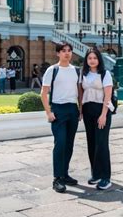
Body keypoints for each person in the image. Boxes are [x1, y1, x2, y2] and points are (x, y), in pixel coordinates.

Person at [40, 42, 82, 193]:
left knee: (69, 144)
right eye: (63, 51)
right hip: (58, 110)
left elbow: (79, 92)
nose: (67, 53)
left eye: (69, 51)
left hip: (72, 109)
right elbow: (43, 93)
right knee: (60, 143)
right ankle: (57, 178)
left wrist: (80, 110)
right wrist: (48, 112)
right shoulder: (53, 70)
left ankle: (64, 174)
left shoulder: (76, 71)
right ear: (58, 53)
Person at [81, 47, 114, 190]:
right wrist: (81, 111)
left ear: (98, 59)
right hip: (88, 110)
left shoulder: (105, 74)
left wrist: (103, 114)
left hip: (102, 110)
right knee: (91, 143)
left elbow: (107, 95)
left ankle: (106, 177)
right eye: (89, 58)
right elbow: (81, 93)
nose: (92, 60)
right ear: (86, 60)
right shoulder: (84, 74)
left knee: (101, 143)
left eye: (94, 58)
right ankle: (96, 173)